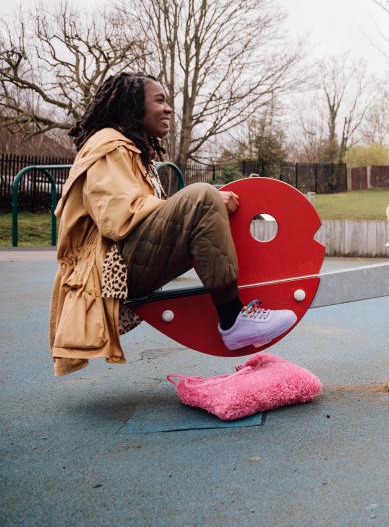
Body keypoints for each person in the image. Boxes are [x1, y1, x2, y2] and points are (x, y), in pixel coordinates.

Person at [49, 72, 296, 376]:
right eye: (159, 101)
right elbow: (118, 218)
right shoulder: (108, 147)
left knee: (204, 201)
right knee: (203, 196)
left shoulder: (132, 150)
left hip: (125, 260)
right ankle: (233, 320)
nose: (168, 109)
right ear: (134, 106)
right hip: (110, 268)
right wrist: (200, 203)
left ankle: (237, 311)